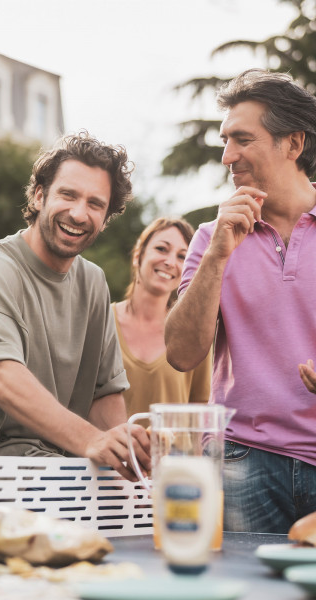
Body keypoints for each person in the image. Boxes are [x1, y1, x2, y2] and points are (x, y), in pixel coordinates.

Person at [0, 131, 151, 481]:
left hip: (65, 478)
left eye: (95, 204)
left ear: (107, 216)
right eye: (68, 194)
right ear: (39, 195)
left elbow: (103, 394)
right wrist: (91, 440)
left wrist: (131, 464)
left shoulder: (93, 283)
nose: (79, 213)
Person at [164, 68, 316, 533]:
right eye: (225, 141)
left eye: (242, 139)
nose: (228, 155)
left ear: (293, 144)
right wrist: (218, 255)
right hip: (241, 460)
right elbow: (182, 354)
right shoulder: (212, 237)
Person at [112, 217, 211, 418]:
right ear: (137, 255)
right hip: (113, 450)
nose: (170, 262)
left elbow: (202, 408)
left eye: (182, 256)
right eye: (161, 249)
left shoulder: (195, 334)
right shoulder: (102, 321)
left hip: (174, 450)